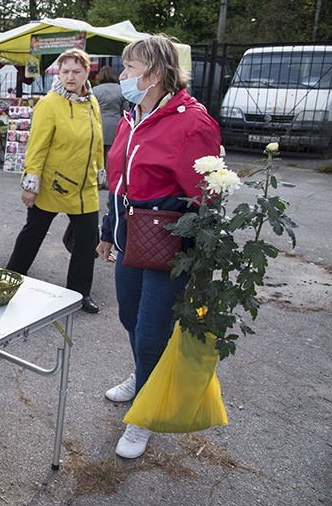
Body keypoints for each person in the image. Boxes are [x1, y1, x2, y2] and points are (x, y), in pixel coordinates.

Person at [96, 34, 221, 459]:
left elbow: (208, 195)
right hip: (130, 234)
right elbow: (119, 182)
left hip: (169, 241)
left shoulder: (193, 122)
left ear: (155, 72)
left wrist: (199, 254)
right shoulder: (134, 115)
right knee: (131, 318)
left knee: (152, 331)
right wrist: (107, 231)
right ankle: (142, 375)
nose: (123, 75)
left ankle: (144, 415)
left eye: (131, 68)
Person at [5, 48, 104, 314]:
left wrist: (100, 170)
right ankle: (11, 278)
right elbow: (36, 147)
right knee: (33, 233)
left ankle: (80, 293)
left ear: (87, 72)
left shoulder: (91, 102)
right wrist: (30, 185)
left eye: (76, 71)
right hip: (52, 183)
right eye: (65, 71)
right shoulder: (49, 103)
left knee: (86, 240)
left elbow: (97, 141)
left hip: (85, 188)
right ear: (58, 74)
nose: (70, 77)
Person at [92, 66, 127, 189]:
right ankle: (110, 182)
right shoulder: (121, 90)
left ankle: (98, 181)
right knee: (111, 156)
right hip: (116, 125)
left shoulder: (95, 90)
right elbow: (126, 110)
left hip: (99, 124)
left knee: (97, 155)